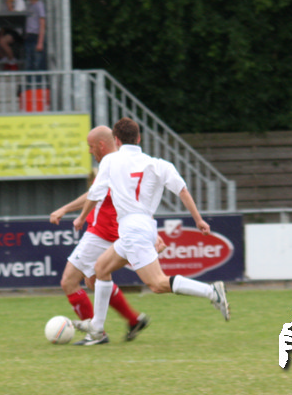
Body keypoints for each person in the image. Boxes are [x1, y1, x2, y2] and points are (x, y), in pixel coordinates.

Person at [71, 117, 228, 345]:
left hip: (132, 230)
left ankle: (211, 291)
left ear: (116, 140)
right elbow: (182, 191)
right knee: (100, 268)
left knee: (157, 284)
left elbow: (95, 193)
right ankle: (96, 329)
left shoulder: (110, 161)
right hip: (143, 226)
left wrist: (81, 217)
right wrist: (199, 220)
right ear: (139, 138)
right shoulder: (158, 164)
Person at [49, 125, 153, 343]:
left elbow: (94, 195)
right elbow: (96, 193)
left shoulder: (111, 164)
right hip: (112, 232)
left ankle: (96, 333)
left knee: (69, 281)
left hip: (101, 233)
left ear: (102, 145)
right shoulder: (124, 163)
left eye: (91, 146)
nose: (89, 151)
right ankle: (133, 319)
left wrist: (69, 211)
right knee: (94, 280)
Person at [0, 0, 26, 67]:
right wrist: (1, 33)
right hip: (7, 29)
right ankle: (4, 58)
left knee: (2, 41)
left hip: (17, 30)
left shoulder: (19, 1)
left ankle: (12, 62)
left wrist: (9, 4)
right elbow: (2, 20)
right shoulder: (4, 4)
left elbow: (15, 18)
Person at [23, 0, 47, 72]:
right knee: (28, 63)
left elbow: (42, 23)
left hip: (36, 36)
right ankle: (29, 81)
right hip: (29, 35)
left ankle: (38, 81)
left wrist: (40, 42)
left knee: (37, 63)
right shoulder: (29, 6)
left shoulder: (39, 5)